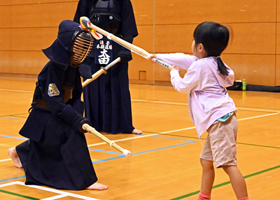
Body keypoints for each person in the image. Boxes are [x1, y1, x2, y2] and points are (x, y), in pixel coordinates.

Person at [150, 21, 250, 200]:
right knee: (206, 161)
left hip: (220, 121)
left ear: (201, 47)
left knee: (229, 165)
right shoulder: (214, 62)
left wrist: (173, 73)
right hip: (222, 120)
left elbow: (182, 86)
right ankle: (204, 197)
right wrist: (158, 56)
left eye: (193, 40)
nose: (192, 44)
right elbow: (183, 58)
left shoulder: (200, 66)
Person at [7, 19, 108, 191]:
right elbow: (53, 102)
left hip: (58, 112)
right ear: (68, 44)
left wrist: (79, 117)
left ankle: (17, 151)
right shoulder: (52, 68)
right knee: (71, 134)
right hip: (45, 114)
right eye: (78, 46)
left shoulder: (73, 67)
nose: (81, 51)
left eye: (84, 47)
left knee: (61, 133)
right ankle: (85, 180)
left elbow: (76, 94)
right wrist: (75, 121)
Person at [73, 0, 142, 134]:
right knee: (92, 87)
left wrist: (126, 48)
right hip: (92, 48)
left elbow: (128, 28)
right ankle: (91, 123)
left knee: (118, 87)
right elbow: (79, 26)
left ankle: (124, 125)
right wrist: (81, 53)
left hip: (116, 48)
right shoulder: (86, 1)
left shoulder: (123, 1)